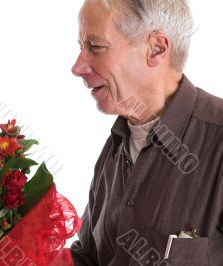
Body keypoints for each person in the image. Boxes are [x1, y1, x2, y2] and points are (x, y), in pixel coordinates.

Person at [70, 0, 223, 265]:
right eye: (81, 47)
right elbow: (90, 258)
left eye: (96, 46)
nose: (77, 67)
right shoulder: (116, 144)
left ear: (156, 49)